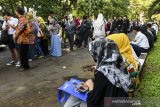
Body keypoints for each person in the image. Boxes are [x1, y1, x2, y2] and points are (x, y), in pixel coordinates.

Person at [64, 38, 130, 107]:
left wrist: (91, 87)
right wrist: (89, 85)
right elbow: (107, 85)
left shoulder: (104, 72)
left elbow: (92, 103)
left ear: (100, 52)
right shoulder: (120, 66)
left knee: (75, 97)